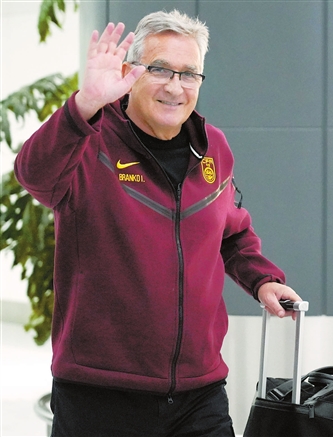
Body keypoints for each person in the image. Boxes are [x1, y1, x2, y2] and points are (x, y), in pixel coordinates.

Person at [15, 10, 302, 437]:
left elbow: (231, 232)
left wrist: (262, 280)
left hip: (199, 393)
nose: (175, 86)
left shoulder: (213, 147)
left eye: (189, 74)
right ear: (129, 72)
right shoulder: (90, 141)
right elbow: (34, 175)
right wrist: (84, 105)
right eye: (160, 69)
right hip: (100, 393)